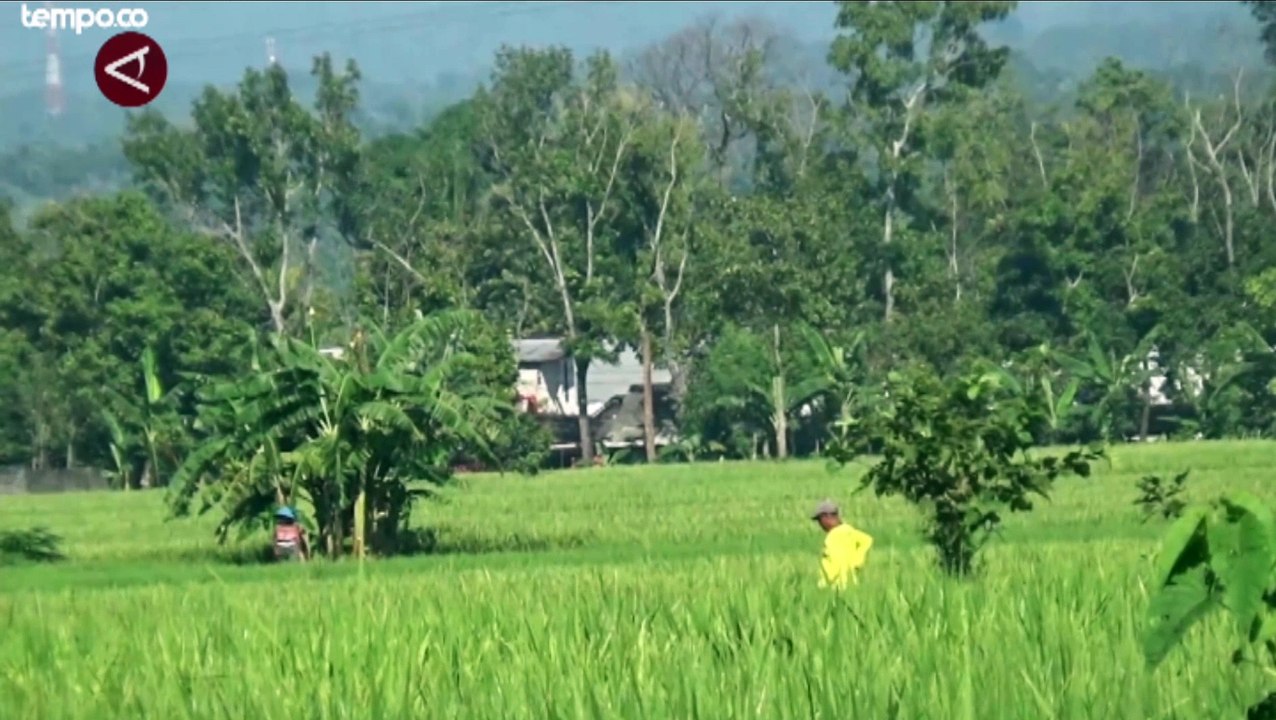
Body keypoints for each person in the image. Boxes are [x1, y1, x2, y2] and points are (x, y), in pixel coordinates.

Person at [810, 499, 873, 590]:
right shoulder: (848, 530)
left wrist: (823, 584)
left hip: (836, 586)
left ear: (827, 517)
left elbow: (833, 563)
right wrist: (858, 560)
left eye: (820, 520)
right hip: (851, 583)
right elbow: (867, 540)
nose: (820, 524)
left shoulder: (833, 536)